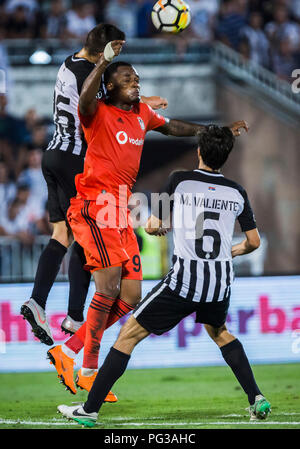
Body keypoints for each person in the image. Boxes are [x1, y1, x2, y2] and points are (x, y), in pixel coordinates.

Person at [47, 38, 247, 401]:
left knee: (131, 295)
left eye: (136, 77)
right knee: (106, 290)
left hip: (121, 209)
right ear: (110, 85)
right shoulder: (97, 112)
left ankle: (67, 350)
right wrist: (104, 61)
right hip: (96, 204)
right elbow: (86, 97)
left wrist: (213, 131)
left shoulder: (142, 114)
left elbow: (173, 128)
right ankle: (89, 370)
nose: (135, 81)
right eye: (127, 77)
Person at [56, 125, 271, 427]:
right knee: (220, 332)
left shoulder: (180, 180)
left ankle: (89, 410)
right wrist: (229, 253)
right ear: (226, 156)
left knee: (128, 333)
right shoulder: (237, 192)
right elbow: (253, 242)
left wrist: (157, 226)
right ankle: (257, 397)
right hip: (219, 282)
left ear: (199, 151)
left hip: (185, 280)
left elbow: (154, 223)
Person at [20, 24, 169, 347]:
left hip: (53, 153)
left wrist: (144, 99)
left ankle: (37, 302)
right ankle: (75, 316)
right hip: (75, 159)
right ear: (107, 50)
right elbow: (103, 104)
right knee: (89, 236)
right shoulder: (93, 73)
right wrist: (142, 102)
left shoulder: (69, 63)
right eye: (119, 49)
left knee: (61, 234)